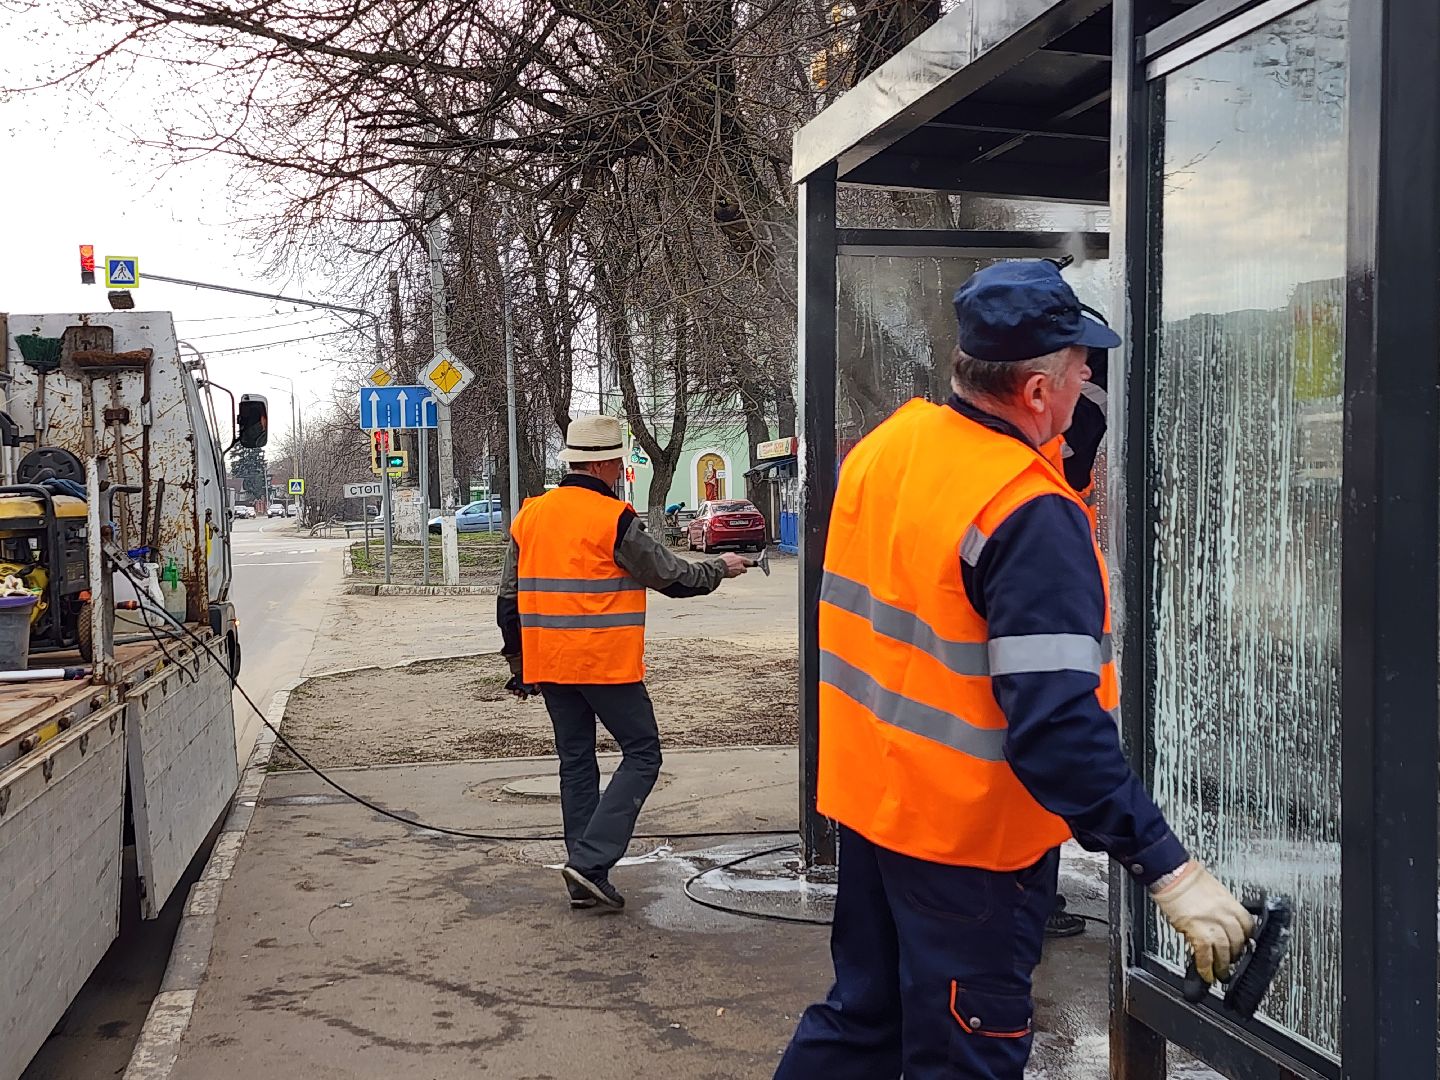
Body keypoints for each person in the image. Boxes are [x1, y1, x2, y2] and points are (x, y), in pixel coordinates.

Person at [774, 261, 1253, 1079]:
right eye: (1078, 369)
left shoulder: (892, 447)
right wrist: (1168, 869)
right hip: (970, 851)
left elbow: (950, 564)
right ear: (1035, 392)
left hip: (878, 807)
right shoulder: (1029, 515)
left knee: (861, 1024)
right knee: (967, 1056)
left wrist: (1055, 449)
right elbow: (1057, 730)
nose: (1088, 378)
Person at [497, 415, 748, 911]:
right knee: (642, 753)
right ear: (602, 465)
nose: (619, 469)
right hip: (603, 662)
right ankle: (591, 861)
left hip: (550, 662)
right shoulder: (613, 519)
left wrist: (519, 662)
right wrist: (720, 567)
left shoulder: (532, 515)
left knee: (576, 761)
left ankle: (583, 875)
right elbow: (671, 576)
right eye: (617, 462)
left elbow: (508, 598)